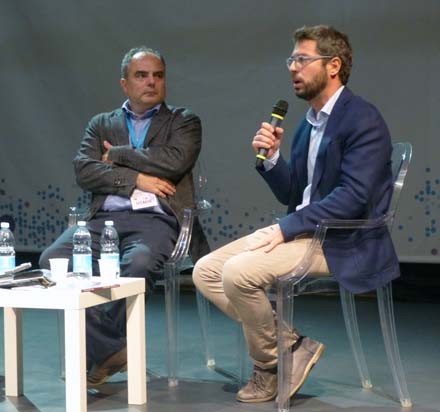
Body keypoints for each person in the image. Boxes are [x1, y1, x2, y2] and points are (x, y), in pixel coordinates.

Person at [193, 25, 399, 403]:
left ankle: (268, 366)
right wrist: (272, 159)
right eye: (291, 60)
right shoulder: (308, 123)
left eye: (302, 59)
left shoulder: (362, 118)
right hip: (307, 230)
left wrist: (287, 228)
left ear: (333, 65)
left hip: (344, 239)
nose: (292, 68)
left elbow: (353, 198)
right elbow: (295, 193)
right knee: (205, 271)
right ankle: (288, 349)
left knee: (239, 273)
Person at [39, 46, 207, 386]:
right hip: (103, 222)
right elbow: (84, 171)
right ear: (124, 84)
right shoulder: (101, 123)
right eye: (141, 76)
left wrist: (117, 154)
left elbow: (173, 161)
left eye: (157, 76)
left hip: (156, 222)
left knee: (139, 264)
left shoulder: (184, 121)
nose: (151, 82)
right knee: (52, 259)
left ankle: (104, 350)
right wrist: (137, 180)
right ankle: (111, 348)